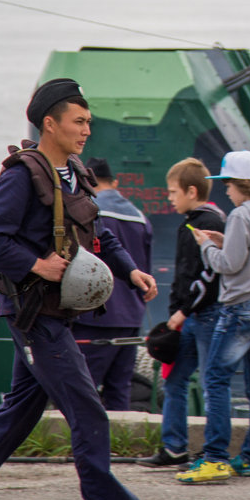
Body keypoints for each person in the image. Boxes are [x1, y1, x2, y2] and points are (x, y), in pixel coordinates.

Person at [0, 78, 157, 500]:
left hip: (55, 310)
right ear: (50, 123)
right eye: (79, 122)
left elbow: (96, 233)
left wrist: (130, 270)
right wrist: (36, 265)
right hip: (33, 312)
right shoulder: (24, 175)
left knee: (20, 411)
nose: (86, 131)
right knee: (86, 409)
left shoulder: (77, 173)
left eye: (89, 123)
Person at [175, 150, 250, 484]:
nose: (224, 190)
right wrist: (223, 240)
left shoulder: (240, 215)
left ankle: (216, 458)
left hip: (240, 306)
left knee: (216, 379)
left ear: (241, 184)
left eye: (227, 183)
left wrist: (206, 246)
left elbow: (227, 265)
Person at [138, 156, 227, 467]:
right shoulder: (197, 220)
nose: (169, 198)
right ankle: (174, 448)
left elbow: (208, 275)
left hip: (204, 317)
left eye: (173, 192)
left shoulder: (207, 223)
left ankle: (215, 453)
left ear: (191, 191)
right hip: (190, 318)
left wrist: (182, 312)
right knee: (175, 381)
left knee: (211, 383)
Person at [74, 156, 153, 411]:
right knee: (120, 391)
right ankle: (119, 446)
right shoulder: (139, 216)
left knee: (83, 389)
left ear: (86, 181)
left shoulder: (88, 210)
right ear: (115, 182)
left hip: (96, 317)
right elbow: (145, 270)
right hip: (131, 318)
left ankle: (85, 448)